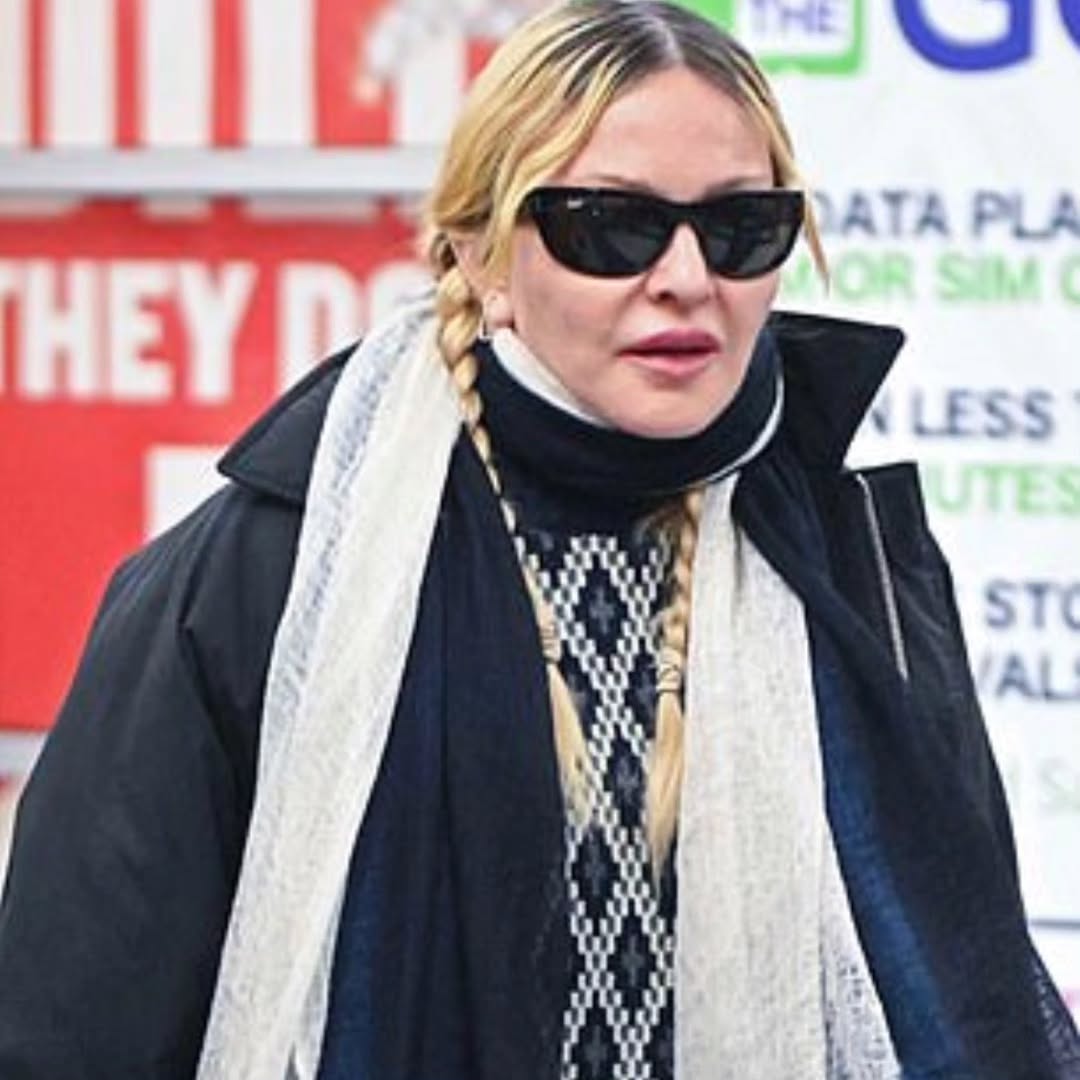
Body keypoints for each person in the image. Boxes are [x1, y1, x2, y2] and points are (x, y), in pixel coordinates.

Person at [1, 1, 1077, 1077]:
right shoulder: (276, 568)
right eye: (609, 227)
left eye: (741, 227)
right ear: (480, 254)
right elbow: (78, 1021)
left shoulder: (849, 565)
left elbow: (968, 1002)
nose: (686, 279)